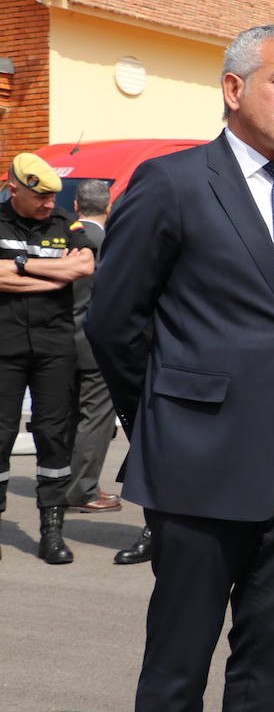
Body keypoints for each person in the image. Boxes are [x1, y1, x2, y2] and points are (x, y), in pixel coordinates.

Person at [85, 24, 274, 712]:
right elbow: (114, 324)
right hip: (198, 470)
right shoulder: (172, 183)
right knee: (179, 663)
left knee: (268, 662)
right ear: (234, 88)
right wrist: (167, 421)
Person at [0, 151, 95, 564]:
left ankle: (51, 531)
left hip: (55, 349)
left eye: (52, 197)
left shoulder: (64, 224)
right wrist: (48, 272)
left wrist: (20, 267)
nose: (48, 204)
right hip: (4, 347)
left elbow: (82, 267)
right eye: (39, 198)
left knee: (54, 435)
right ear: (13, 187)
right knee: (0, 434)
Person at [65, 178, 121, 515]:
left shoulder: (66, 236)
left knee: (69, 416)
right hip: (93, 341)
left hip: (60, 338)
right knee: (95, 419)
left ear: (76, 206)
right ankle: (83, 489)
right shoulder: (106, 241)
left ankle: (65, 481)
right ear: (108, 206)